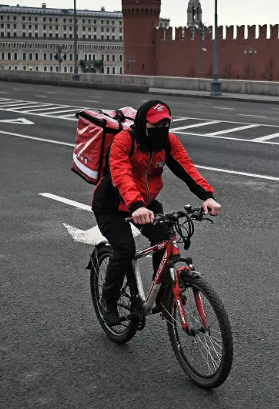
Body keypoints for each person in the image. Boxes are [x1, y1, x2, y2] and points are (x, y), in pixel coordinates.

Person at [91, 99, 221, 326]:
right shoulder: (124, 141)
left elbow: (186, 167)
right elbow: (121, 176)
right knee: (124, 250)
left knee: (165, 238)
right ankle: (108, 301)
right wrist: (136, 206)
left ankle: (162, 297)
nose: (161, 132)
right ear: (142, 124)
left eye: (165, 126)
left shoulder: (168, 142)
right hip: (112, 205)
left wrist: (206, 196)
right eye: (154, 128)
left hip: (145, 205)